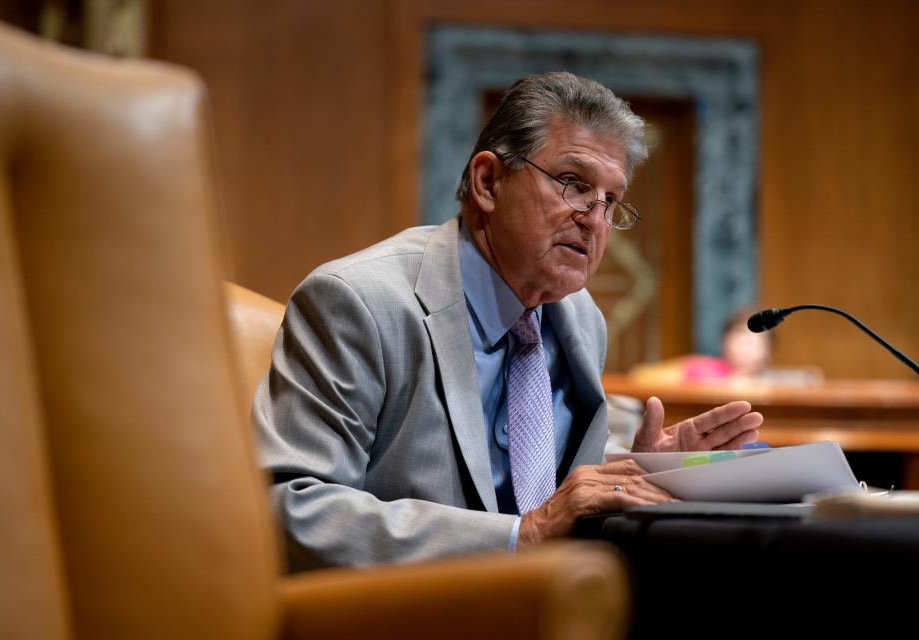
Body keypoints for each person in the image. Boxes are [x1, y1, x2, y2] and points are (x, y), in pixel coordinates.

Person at [253, 72, 763, 572]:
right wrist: (524, 537)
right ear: (488, 182)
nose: (594, 219)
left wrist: (643, 468)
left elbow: (541, 476)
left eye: (611, 202)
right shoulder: (360, 301)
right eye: (573, 184)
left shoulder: (580, 318)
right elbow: (289, 506)